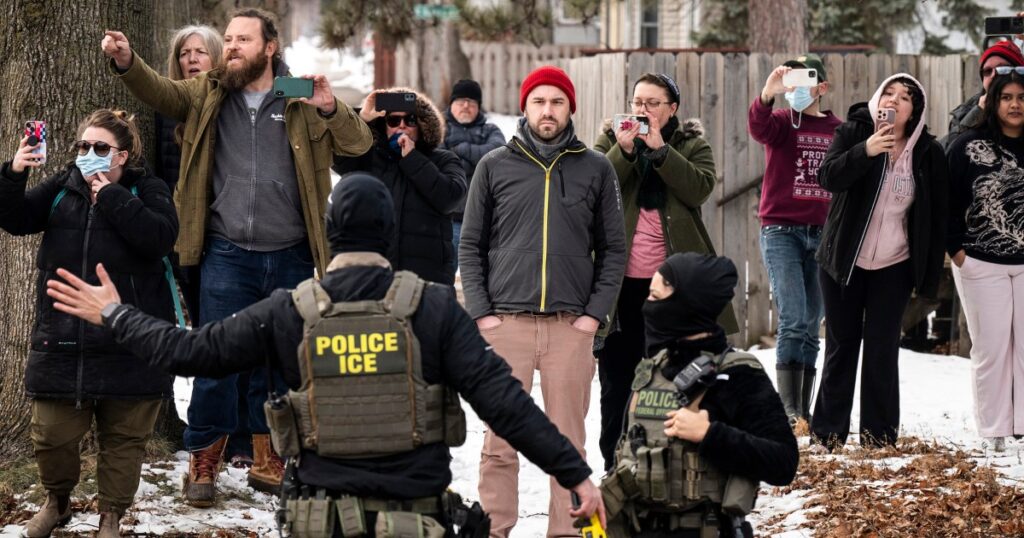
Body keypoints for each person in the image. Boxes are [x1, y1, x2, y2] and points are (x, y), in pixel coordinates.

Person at [45, 173, 607, 537]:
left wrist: (115, 314)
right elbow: (506, 404)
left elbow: (188, 352)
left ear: (330, 230)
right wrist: (576, 476)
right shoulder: (433, 309)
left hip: (321, 521)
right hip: (417, 518)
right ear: (387, 232)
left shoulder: (289, 311)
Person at [101, 6, 374, 505]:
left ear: (269, 48)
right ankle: (204, 459)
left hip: (292, 253)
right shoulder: (209, 90)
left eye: (242, 39)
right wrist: (126, 61)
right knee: (215, 360)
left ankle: (271, 455)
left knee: (279, 361)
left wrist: (331, 107)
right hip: (226, 252)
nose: (230, 47)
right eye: (228, 39)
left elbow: (358, 145)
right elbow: (160, 92)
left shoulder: (297, 95)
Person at [460, 64, 626, 538]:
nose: (547, 110)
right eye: (539, 101)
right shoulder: (494, 165)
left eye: (557, 101)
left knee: (568, 444)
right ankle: (494, 529)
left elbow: (614, 249)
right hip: (506, 324)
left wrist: (594, 315)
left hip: (570, 327)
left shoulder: (597, 167)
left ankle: (567, 532)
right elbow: (470, 244)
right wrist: (482, 313)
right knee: (499, 441)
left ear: (571, 107)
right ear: (525, 107)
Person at [0, 110, 178, 538]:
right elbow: (17, 219)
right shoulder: (64, 185)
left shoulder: (146, 188)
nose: (88, 154)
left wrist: (111, 196)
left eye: (100, 147)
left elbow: (159, 237)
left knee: (124, 440)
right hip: (64, 337)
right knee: (51, 436)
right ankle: (57, 501)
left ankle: (111, 515)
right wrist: (14, 173)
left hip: (129, 338)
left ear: (123, 155)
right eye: (83, 146)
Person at [592, 72, 735, 471]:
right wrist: (624, 150)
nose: (643, 110)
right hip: (620, 288)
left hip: (674, 290)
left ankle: (670, 465)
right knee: (618, 382)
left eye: (653, 103)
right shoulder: (611, 139)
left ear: (672, 109)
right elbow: (595, 186)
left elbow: (699, 189)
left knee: (674, 378)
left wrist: (661, 152)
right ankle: (615, 465)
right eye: (638, 102)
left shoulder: (691, 144)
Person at [599, 253, 798, 537]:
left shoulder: (737, 373)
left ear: (686, 305)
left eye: (655, 297)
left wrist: (709, 435)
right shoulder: (652, 370)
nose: (646, 306)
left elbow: (784, 462)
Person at [812, 74, 949, 451]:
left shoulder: (928, 152)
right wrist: (866, 151)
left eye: (905, 97)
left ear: (914, 111)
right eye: (889, 92)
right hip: (844, 260)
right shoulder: (853, 132)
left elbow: (937, 216)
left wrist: (926, 277)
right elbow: (828, 178)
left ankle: (879, 438)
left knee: (881, 348)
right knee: (841, 345)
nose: (894, 100)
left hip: (895, 264)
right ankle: (828, 436)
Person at [748, 54, 842, 426]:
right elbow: (758, 127)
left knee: (812, 321)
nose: (796, 89)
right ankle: (787, 410)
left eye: (805, 81)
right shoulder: (782, 123)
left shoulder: (837, 130)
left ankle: (804, 409)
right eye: (792, 82)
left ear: (822, 87)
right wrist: (767, 93)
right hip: (781, 231)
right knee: (793, 317)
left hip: (823, 234)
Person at [947, 69, 1024, 452]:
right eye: (1007, 97)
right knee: (991, 348)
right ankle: (993, 431)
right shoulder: (968, 145)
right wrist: (957, 251)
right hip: (980, 262)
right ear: (993, 102)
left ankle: (1022, 427)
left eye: (1022, 97)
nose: (1015, 104)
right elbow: (945, 200)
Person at [333, 87, 466, 285]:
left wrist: (412, 158)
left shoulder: (443, 159)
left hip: (427, 280)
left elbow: (451, 198)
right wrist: (363, 120)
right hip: (374, 277)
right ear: (383, 125)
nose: (402, 126)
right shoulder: (367, 159)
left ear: (422, 125)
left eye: (410, 120)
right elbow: (339, 157)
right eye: (393, 120)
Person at [442, 79, 506, 269]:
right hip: (448, 219)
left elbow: (497, 156)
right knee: (445, 272)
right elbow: (437, 160)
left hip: (482, 220)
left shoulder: (490, 130)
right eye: (461, 101)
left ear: (478, 106)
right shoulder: (439, 129)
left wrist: (461, 149)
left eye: (471, 102)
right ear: (451, 104)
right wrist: (477, 162)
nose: (466, 106)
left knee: (480, 274)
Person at [943, 39, 1024, 149]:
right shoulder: (965, 112)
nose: (993, 75)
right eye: (987, 71)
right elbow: (950, 152)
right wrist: (978, 113)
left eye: (1002, 69)